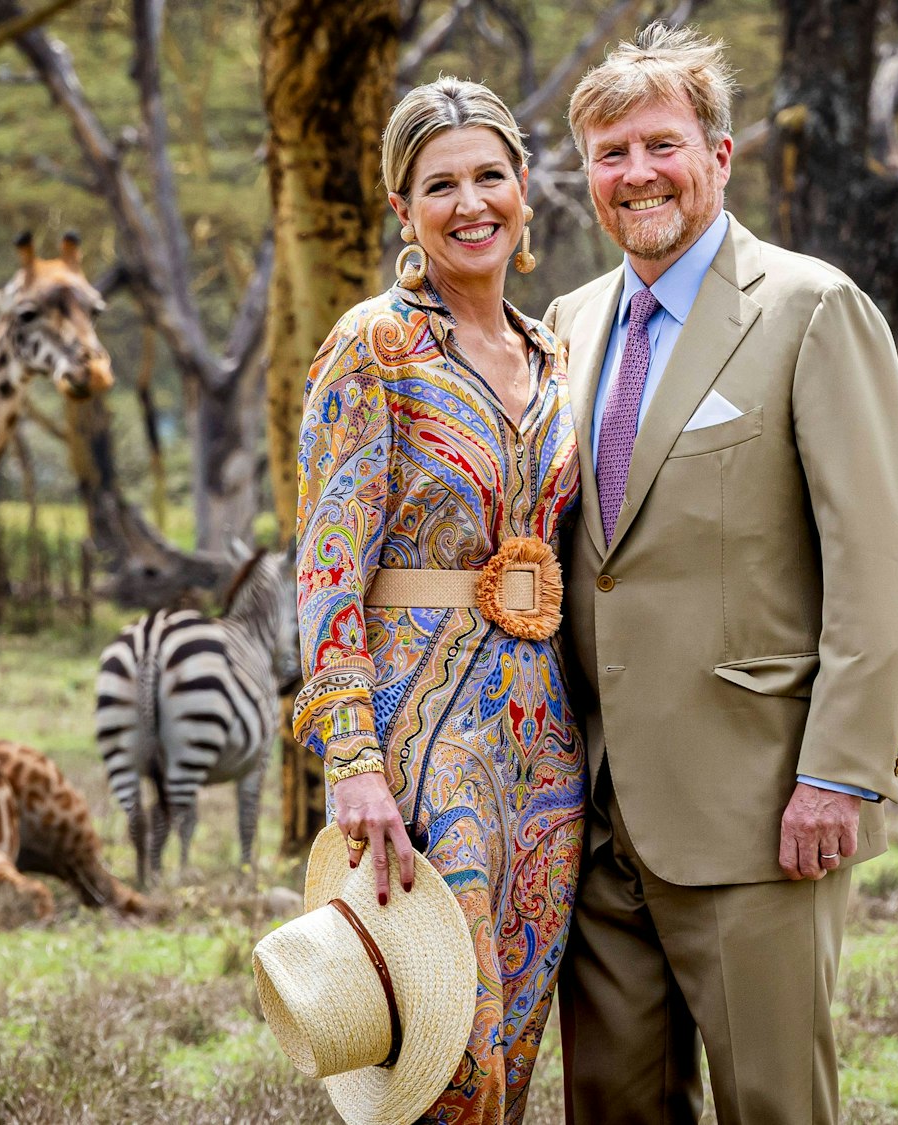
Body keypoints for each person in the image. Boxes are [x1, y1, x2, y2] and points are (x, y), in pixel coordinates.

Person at [545, 24, 898, 1125]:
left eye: (660, 145)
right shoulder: (568, 324)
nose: (637, 174)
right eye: (610, 154)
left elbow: (878, 560)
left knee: (774, 1104)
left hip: (760, 808)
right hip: (592, 815)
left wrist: (839, 774)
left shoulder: (811, 308)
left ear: (718, 155)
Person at [293, 76, 585, 1125]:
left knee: (516, 1042)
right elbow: (327, 565)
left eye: (489, 176)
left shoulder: (553, 353)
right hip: (422, 738)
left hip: (546, 750)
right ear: (401, 209)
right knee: (444, 1049)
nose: (471, 204)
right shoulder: (374, 345)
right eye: (440, 185)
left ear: (524, 189)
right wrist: (354, 763)